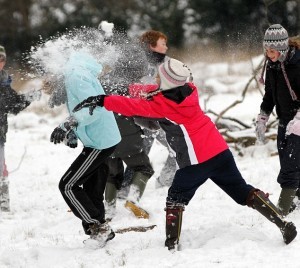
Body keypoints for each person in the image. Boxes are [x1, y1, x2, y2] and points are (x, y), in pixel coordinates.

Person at [73, 58, 297, 250]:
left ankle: (171, 245)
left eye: (160, 79)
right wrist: (128, 87)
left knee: (175, 200)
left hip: (196, 160)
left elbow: (133, 106)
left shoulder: (162, 106)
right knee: (242, 192)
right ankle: (283, 223)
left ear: (168, 82)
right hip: (220, 151)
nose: (156, 81)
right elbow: (154, 91)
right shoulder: (190, 90)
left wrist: (103, 100)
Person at [49, 50, 121, 247]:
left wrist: (67, 125)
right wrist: (74, 130)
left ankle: (98, 227)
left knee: (68, 185)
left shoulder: (74, 76)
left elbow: (93, 108)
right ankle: (99, 232)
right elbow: (80, 106)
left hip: (99, 142)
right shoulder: (78, 71)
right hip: (103, 137)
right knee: (92, 188)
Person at [100, 35, 155, 220]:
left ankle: (108, 209)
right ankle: (133, 199)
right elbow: (141, 111)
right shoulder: (130, 86)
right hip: (128, 134)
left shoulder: (101, 83)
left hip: (105, 136)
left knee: (112, 173)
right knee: (143, 167)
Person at [256, 24, 300, 216]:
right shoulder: (272, 65)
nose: (268, 54)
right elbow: (269, 95)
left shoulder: (298, 64)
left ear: (282, 48)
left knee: (291, 164)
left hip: (298, 120)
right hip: (284, 120)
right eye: (266, 50)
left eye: (272, 50)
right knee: (286, 160)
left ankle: (282, 208)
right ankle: (296, 197)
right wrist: (263, 116)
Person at [0, 45, 41, 212]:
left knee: (1, 167)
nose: (0, 63)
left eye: (2, 60)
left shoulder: (4, 81)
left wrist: (29, 96)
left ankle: (3, 201)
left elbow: (13, 105)